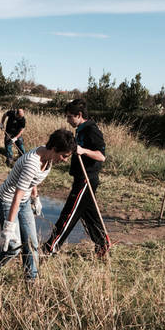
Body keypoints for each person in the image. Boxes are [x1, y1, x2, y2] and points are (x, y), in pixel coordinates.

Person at [0, 129, 76, 282]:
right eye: (64, 155)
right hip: (8, 201)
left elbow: (32, 180)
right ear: (55, 149)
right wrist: (9, 226)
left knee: (31, 244)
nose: (64, 160)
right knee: (13, 247)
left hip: (23, 201)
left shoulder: (48, 156)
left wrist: (35, 197)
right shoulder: (32, 162)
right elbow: (16, 195)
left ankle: (31, 280)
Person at [43, 99, 110, 257]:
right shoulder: (80, 128)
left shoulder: (92, 130)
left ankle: (50, 247)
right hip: (80, 177)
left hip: (87, 178)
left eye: (69, 116)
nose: (67, 120)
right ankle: (102, 244)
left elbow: (101, 157)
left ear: (79, 115)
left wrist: (83, 150)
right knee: (89, 215)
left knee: (69, 213)